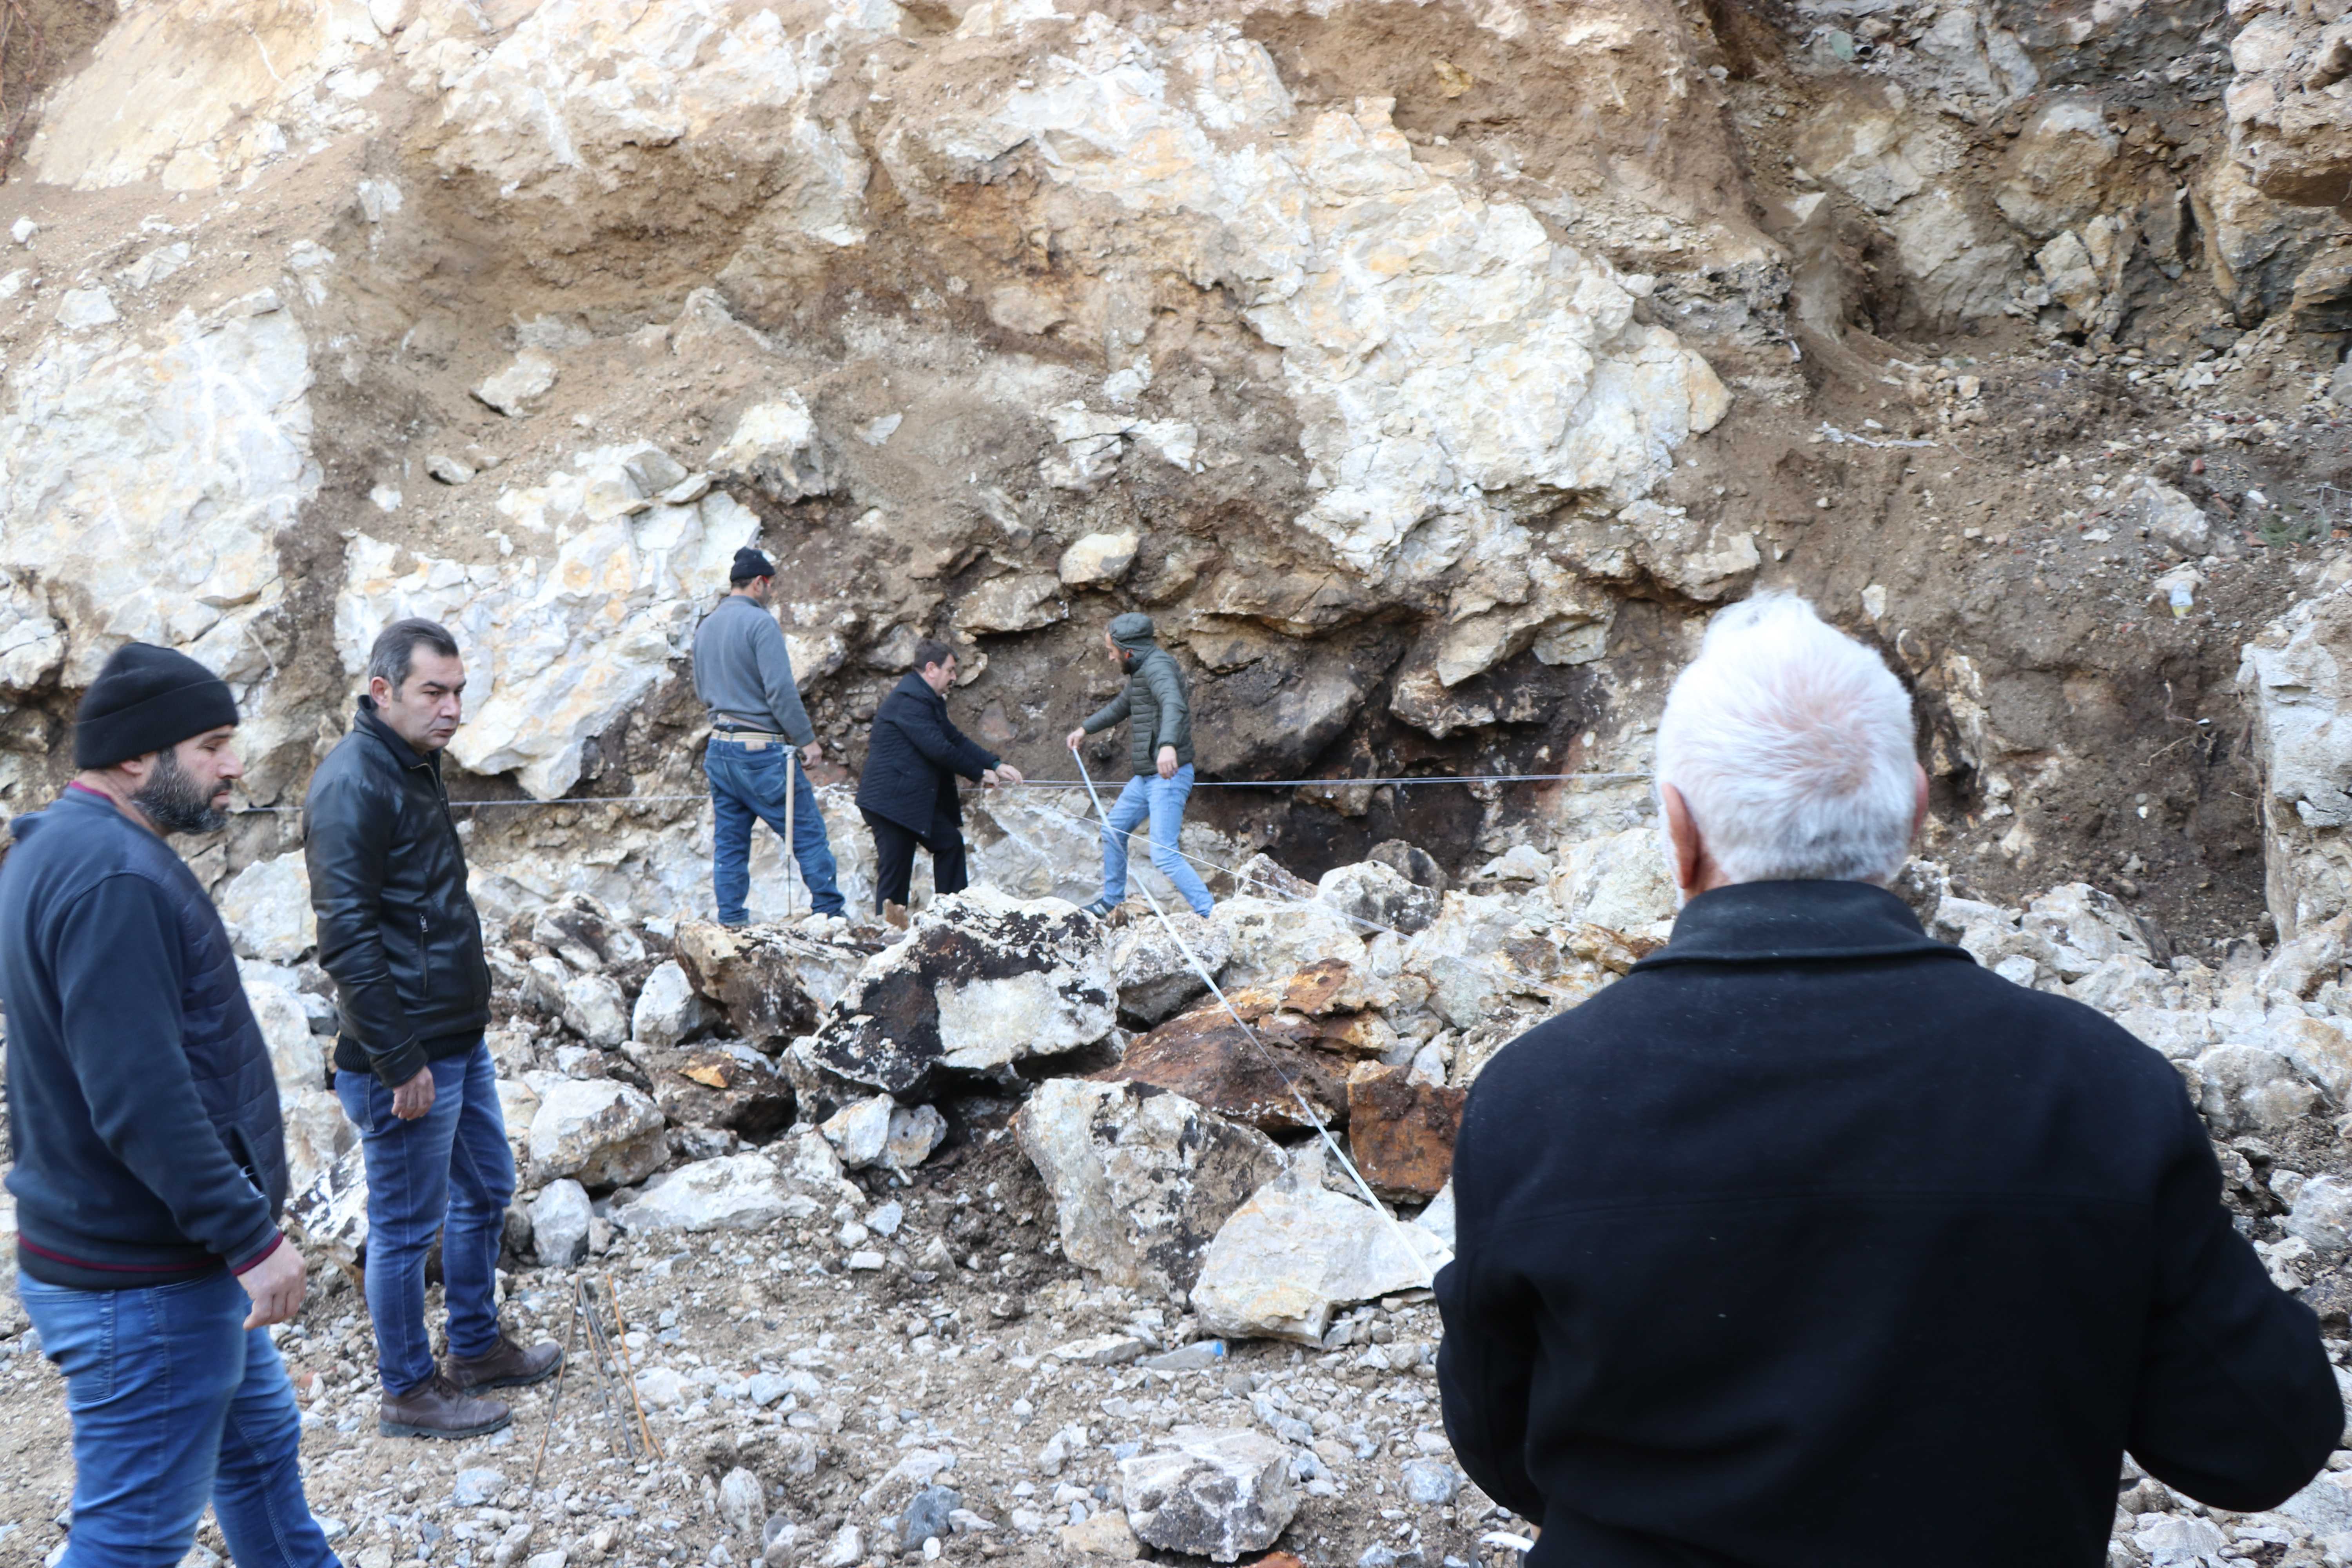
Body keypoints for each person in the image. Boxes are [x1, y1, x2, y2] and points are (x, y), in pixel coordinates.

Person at [1435, 593, 2342, 1568]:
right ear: (1913, 808)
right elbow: (2261, 1444)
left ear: (1679, 827)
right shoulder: (2101, 1089)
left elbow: (1502, 1440)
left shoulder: (1536, 1099)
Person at [0, 643, 336, 1567]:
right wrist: (251, 1238)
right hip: (142, 1283)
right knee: (128, 1539)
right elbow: (140, 1098)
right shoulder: (113, 879)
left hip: (155, 1266)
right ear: (137, 756)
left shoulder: (58, 851)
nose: (234, 766)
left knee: (261, 1456)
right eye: (213, 744)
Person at [306, 617, 561, 1439]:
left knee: (485, 1186)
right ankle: (409, 1390)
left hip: (453, 1038)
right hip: (405, 1055)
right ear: (382, 691)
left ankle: (477, 1346)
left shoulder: (411, 764)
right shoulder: (353, 784)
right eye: (434, 692)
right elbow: (345, 938)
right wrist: (397, 1056)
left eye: (459, 691)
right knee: (407, 1227)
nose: (453, 708)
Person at [693, 546, 846, 923]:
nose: (772, 593)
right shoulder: (760, 623)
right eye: (771, 586)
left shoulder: (706, 626)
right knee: (808, 835)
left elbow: (701, 688)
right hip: (761, 753)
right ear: (760, 583)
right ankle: (831, 917)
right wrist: (806, 739)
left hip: (721, 748)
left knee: (729, 845)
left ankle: (731, 921)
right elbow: (780, 691)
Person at [856, 638, 1023, 926]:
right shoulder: (908, 701)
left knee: (949, 844)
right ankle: (887, 936)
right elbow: (938, 748)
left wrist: (995, 764)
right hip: (891, 803)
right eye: (951, 670)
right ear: (931, 669)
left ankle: (952, 918)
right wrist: (980, 773)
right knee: (896, 871)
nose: (954, 677)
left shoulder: (926, 700)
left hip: (911, 800)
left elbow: (954, 739)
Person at [1064, 612, 1210, 917]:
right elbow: (1122, 706)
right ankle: (1112, 901)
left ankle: (1210, 913)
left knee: (1164, 854)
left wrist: (1168, 744)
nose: (1110, 657)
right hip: (1147, 777)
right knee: (1113, 829)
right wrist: (1085, 729)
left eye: (1112, 651)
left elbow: (1174, 704)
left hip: (1168, 777)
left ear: (1128, 651)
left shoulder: (1159, 669)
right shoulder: (1143, 671)